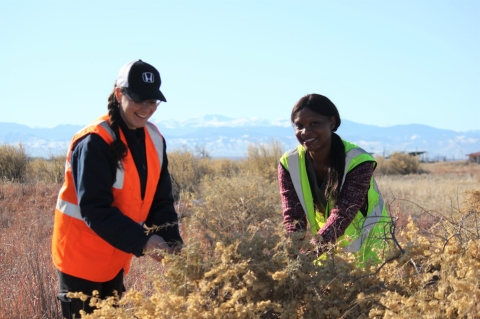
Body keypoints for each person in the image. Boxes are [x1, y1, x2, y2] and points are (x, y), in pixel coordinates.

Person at [52, 60, 183, 318]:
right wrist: (143, 241)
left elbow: (161, 201)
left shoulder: (155, 139)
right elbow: (95, 209)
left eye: (153, 101)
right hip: (80, 263)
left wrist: (172, 241)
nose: (147, 108)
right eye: (139, 99)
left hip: (114, 262)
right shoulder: (94, 141)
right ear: (119, 93)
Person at [278, 94, 391, 266]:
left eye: (314, 123)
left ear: (331, 123)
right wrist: (293, 254)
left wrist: (309, 255)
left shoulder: (358, 160)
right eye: (299, 126)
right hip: (329, 249)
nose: (305, 132)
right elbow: (293, 217)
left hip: (372, 246)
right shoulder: (289, 163)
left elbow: (343, 214)